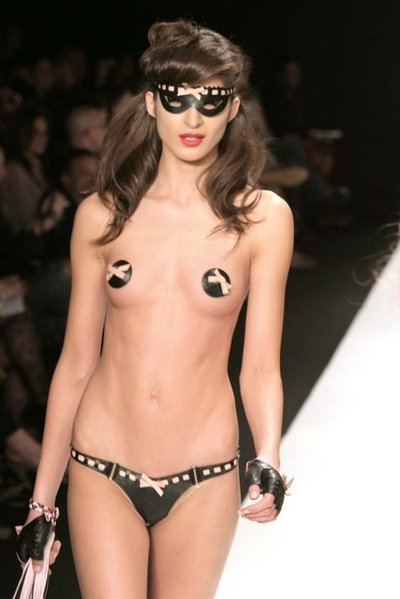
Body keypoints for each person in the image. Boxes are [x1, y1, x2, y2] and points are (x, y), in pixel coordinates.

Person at [14, 19, 293, 598]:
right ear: (151, 103)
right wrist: (42, 503)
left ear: (232, 108)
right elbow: (76, 362)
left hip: (205, 474)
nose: (192, 118)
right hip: (101, 464)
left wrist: (268, 454)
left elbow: (261, 364)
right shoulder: (101, 215)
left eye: (210, 101)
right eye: (177, 99)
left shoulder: (263, 219)